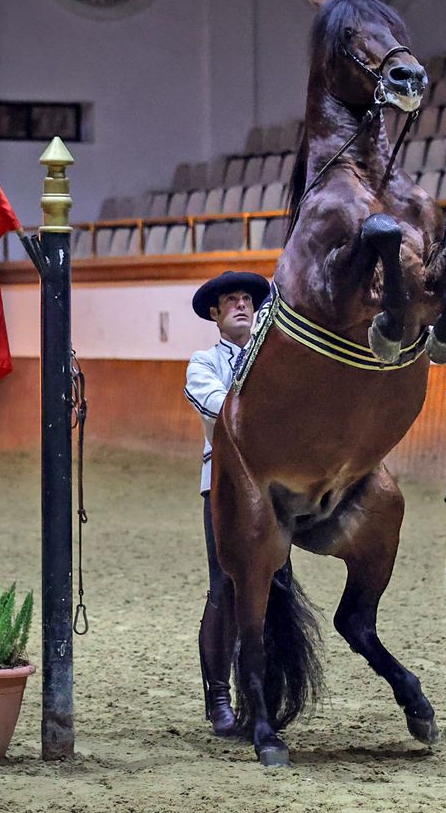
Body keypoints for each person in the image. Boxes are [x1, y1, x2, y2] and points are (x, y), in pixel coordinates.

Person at [183, 270, 269, 736]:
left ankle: (262, 694)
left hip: (274, 487)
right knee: (223, 587)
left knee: (276, 587)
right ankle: (218, 694)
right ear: (214, 315)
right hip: (225, 486)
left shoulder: (276, 359)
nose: (241, 306)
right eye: (231, 301)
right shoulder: (203, 362)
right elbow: (219, 408)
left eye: (247, 300)